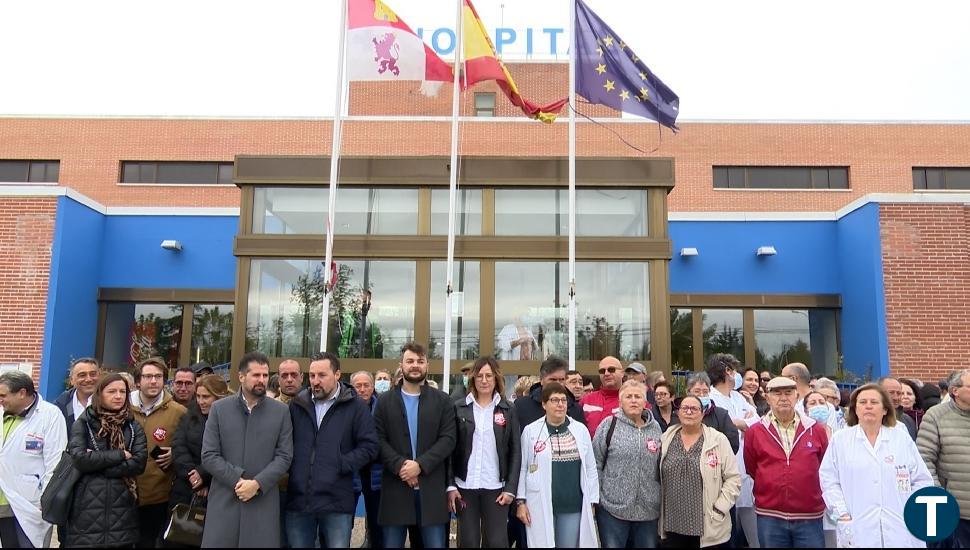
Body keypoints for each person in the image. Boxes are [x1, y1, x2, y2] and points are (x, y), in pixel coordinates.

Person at [819, 384, 933, 548]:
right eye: (863, 402)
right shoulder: (841, 440)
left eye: (874, 402)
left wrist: (912, 510)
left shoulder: (900, 438)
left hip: (900, 526)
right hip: (857, 526)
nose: (868, 406)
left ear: (885, 409)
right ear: (855, 409)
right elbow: (829, 481)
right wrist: (842, 514)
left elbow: (922, 479)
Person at [201, 351, 294, 548]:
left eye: (265, 375)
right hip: (225, 500)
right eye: (256, 375)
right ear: (241, 376)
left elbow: (285, 456)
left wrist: (258, 484)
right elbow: (209, 455)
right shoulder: (219, 409)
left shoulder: (281, 411)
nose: (262, 380)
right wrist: (238, 480)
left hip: (263, 501)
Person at [286, 352, 379, 548]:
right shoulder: (297, 405)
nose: (315, 381)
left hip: (336, 500)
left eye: (322, 375)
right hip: (300, 500)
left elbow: (370, 446)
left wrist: (341, 463)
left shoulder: (355, 407)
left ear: (337, 374)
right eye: (312, 376)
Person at [374, 343, 457, 548]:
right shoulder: (384, 401)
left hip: (431, 490)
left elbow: (448, 439)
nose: (415, 365)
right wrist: (401, 466)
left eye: (420, 361)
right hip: (396, 487)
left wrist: (419, 465)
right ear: (401, 365)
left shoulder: (442, 400)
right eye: (410, 361)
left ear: (427, 365)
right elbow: (377, 439)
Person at [744, 376, 828, 548]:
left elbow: (825, 468)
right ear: (767, 398)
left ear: (797, 397)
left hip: (809, 516)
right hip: (769, 516)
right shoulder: (755, 431)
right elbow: (752, 468)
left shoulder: (816, 430)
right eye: (777, 393)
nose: (783, 398)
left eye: (788, 393)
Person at [65, 373, 148, 548]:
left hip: (123, 509)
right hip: (86, 510)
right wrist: (120, 455)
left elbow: (139, 463)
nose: (118, 396)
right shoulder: (84, 423)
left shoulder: (133, 426)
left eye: (123, 392)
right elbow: (80, 459)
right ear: (100, 394)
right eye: (111, 391)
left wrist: (99, 466)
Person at [448, 356, 521, 548]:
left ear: (496, 378)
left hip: (496, 487)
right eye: (479, 376)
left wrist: (511, 489)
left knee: (497, 542)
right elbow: (449, 450)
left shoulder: (508, 409)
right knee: (468, 541)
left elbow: (515, 452)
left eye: (489, 375)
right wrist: (450, 486)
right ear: (472, 379)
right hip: (464, 486)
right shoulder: (459, 408)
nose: (484, 380)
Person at [515, 383, 599, 548]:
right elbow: (523, 467)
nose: (560, 404)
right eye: (554, 400)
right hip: (539, 503)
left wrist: (593, 500)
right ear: (544, 404)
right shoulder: (531, 431)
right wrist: (521, 502)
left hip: (572, 505)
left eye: (563, 400)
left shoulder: (580, 430)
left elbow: (590, 468)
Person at [659, 395, 740, 548]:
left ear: (702, 414)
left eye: (694, 409)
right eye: (685, 408)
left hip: (707, 524)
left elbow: (733, 478)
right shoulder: (666, 438)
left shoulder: (718, 440)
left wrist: (720, 508)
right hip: (673, 524)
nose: (689, 412)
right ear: (678, 412)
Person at [0, 371, 68, 548]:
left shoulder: (50, 415)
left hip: (29, 502)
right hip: (2, 501)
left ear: (21, 393)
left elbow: (55, 461)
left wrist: (46, 498)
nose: (0, 399)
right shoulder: (2, 413)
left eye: (3, 395)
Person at [593, 380, 662, 548]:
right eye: (628, 397)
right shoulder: (608, 425)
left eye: (638, 396)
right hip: (613, 510)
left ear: (645, 401)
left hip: (648, 510)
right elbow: (596, 463)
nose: (633, 400)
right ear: (620, 402)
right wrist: (598, 499)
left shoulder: (656, 428)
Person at [130, 357, 187, 547]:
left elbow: (190, 448)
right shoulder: (122, 407)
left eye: (158, 376)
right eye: (148, 376)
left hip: (158, 496)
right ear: (138, 381)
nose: (153, 381)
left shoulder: (179, 412)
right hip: (123, 493)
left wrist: (175, 453)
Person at [169, 375, 231, 545]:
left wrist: (204, 476)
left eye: (206, 397)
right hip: (186, 487)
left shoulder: (231, 420)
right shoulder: (189, 416)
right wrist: (193, 476)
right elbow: (178, 447)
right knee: (180, 539)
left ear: (219, 397)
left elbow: (228, 453)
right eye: (198, 396)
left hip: (217, 489)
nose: (201, 401)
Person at [917, 369, 970, 548]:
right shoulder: (935, 416)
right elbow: (924, 459)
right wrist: (939, 497)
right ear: (955, 390)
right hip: (952, 511)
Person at [350, 370, 383, 550]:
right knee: (346, 522)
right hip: (351, 471)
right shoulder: (344, 408)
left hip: (376, 472)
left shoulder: (382, 408)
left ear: (373, 387)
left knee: (376, 521)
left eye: (366, 385)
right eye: (358, 386)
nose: (362, 389)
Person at [671, 373, 739, 454]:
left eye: (705, 391)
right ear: (688, 392)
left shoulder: (721, 414)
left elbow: (733, 442)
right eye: (697, 391)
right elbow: (672, 440)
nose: (701, 395)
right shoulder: (679, 414)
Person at [514, 356, 586, 430]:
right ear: (541, 380)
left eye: (561, 380)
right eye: (553, 379)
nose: (558, 384)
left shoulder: (575, 409)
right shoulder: (522, 406)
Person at [783, 363, 843, 434]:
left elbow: (830, 437)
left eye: (783, 378)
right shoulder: (790, 405)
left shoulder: (826, 407)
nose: (780, 382)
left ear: (793, 379)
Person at [580, 356, 624, 437]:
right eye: (602, 371)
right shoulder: (586, 400)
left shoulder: (633, 400)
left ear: (622, 373)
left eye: (611, 369)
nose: (606, 373)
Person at [53, 357, 100, 433]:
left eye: (93, 374)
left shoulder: (110, 403)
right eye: (82, 375)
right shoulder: (60, 406)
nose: (88, 379)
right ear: (71, 380)